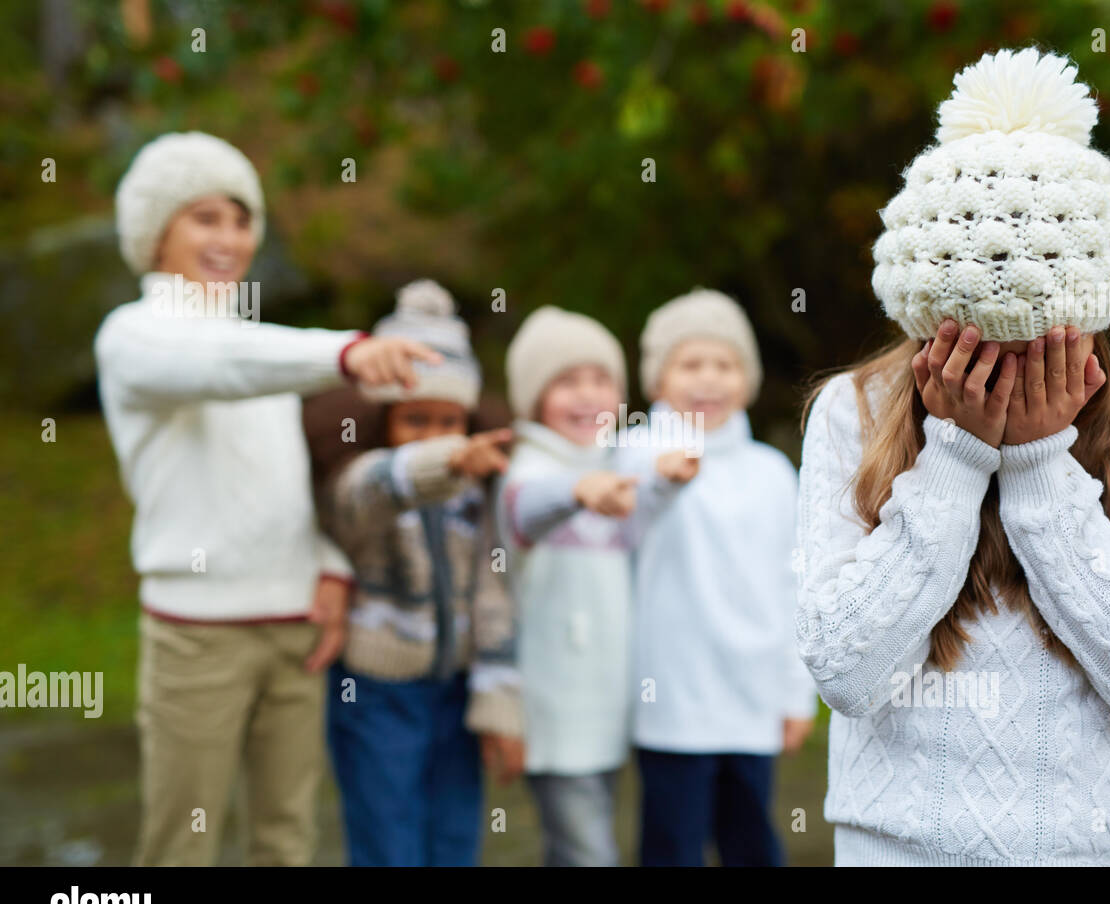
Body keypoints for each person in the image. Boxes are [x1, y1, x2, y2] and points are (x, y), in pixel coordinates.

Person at [796, 48, 1110, 866]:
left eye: (1041, 330)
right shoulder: (855, 411)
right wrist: (954, 458)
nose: (1007, 359)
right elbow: (845, 673)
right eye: (970, 333)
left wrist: (1037, 463)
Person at [95, 131, 437, 865]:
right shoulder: (134, 339)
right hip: (199, 637)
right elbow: (217, 365)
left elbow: (274, 482)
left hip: (295, 633)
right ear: (156, 234)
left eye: (242, 219)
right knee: (178, 849)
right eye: (205, 218)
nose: (230, 238)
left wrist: (328, 564)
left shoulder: (258, 348)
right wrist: (344, 352)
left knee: (286, 843)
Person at [307, 279, 522, 866]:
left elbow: (494, 590)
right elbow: (367, 493)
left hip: (456, 688)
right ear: (380, 421)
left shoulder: (479, 496)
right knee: (387, 839)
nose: (433, 436)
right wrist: (444, 460)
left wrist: (500, 697)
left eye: (449, 421)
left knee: (454, 839)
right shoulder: (362, 480)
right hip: (377, 692)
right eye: (415, 420)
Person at [498, 305, 697, 866]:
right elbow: (530, 507)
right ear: (533, 396)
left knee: (577, 849)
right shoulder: (527, 470)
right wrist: (581, 489)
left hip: (607, 706)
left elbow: (634, 519)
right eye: (567, 381)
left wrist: (666, 483)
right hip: (554, 709)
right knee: (589, 852)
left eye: (600, 379)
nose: (588, 396)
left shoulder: (617, 460)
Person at [627, 288, 819, 867]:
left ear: (748, 377)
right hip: (671, 699)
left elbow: (796, 584)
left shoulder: (771, 471)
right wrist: (665, 477)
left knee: (752, 845)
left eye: (725, 364)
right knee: (672, 846)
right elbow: (633, 508)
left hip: (753, 695)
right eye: (690, 364)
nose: (708, 379)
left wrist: (796, 693)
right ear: (658, 378)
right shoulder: (636, 452)